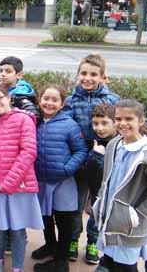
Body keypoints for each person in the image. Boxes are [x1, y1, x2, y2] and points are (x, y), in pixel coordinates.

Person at [92, 100, 147, 272]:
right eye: (118, 119)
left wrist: (137, 214)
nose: (123, 124)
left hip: (130, 226)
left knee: (126, 267)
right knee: (110, 263)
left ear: (141, 121)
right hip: (110, 221)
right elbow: (107, 180)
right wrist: (100, 202)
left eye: (129, 119)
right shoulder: (114, 144)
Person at [0, 83, 43, 272]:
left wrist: (9, 182)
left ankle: (18, 267)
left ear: (9, 98)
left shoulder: (23, 119)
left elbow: (29, 152)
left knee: (17, 230)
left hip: (18, 187)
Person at [63, 54, 119, 263]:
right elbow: (66, 130)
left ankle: (93, 243)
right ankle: (72, 240)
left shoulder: (112, 100)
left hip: (103, 161)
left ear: (103, 77)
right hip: (80, 161)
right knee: (76, 205)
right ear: (78, 75)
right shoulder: (70, 101)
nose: (88, 78)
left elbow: (120, 129)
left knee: (98, 205)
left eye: (93, 74)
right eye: (84, 73)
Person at [32, 85, 88, 272]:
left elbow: (80, 151)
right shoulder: (34, 121)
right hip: (40, 180)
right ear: (39, 100)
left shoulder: (69, 125)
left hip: (62, 181)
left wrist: (67, 169)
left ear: (62, 103)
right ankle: (50, 245)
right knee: (45, 217)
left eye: (55, 100)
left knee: (63, 221)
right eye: (46, 98)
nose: (49, 103)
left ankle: (61, 261)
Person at [85, 103, 119, 265]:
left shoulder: (119, 143)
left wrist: (100, 157)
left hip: (114, 192)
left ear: (115, 123)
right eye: (96, 123)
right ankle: (91, 243)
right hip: (96, 190)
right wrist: (95, 156)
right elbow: (90, 170)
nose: (99, 128)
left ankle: (108, 250)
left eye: (105, 123)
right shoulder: (94, 142)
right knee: (94, 217)